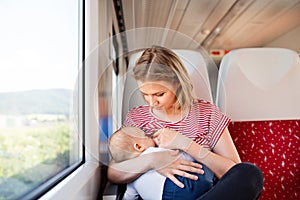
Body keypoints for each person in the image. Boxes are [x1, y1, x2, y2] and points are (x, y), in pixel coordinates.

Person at [107, 46, 263, 200]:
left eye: (159, 94)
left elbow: (233, 173)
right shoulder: (137, 118)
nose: (152, 102)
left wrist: (186, 144)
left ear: (177, 83)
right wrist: (152, 160)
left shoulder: (207, 114)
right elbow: (113, 173)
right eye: (144, 94)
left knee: (250, 174)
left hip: (206, 193)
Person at [108, 126, 214, 200]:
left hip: (166, 197)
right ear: (139, 146)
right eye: (146, 136)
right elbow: (181, 157)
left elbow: (130, 196)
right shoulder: (153, 151)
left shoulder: (131, 176)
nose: (151, 137)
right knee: (204, 165)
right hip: (185, 184)